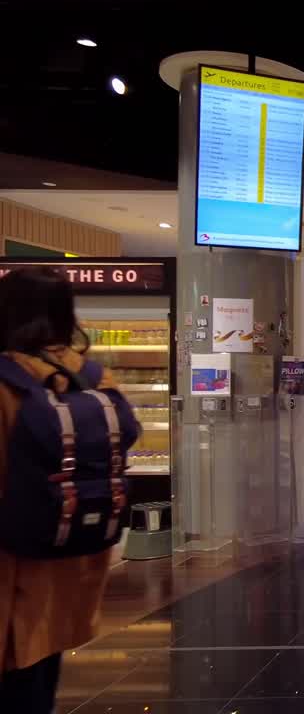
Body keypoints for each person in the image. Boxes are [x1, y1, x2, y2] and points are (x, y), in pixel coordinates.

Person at [0, 267, 138, 712]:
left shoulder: (8, 380)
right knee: (39, 670)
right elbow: (127, 433)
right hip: (67, 552)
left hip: (11, 553)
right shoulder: (93, 377)